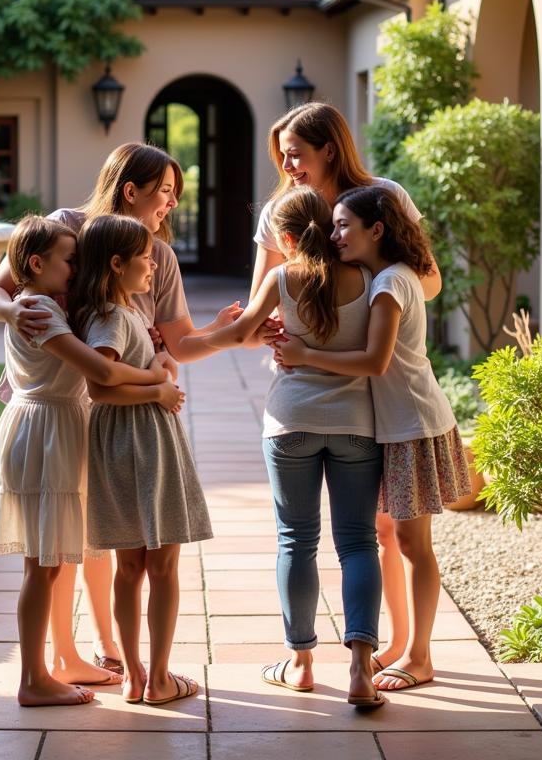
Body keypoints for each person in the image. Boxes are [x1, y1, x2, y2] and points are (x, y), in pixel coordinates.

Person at [0, 142, 238, 677]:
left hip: (95, 402)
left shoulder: (159, 256)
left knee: (89, 534)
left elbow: (179, 341)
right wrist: (20, 311)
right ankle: (60, 658)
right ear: (131, 190)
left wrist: (232, 335)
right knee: (56, 543)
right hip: (59, 397)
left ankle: (107, 649)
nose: (170, 204)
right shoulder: (64, 231)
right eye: (165, 192)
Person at [273, 186, 473, 693]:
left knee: (412, 544)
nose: (335, 235)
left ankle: (420, 656)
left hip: (411, 424)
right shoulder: (388, 277)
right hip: (396, 423)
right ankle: (404, 651)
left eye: (344, 226)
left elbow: (373, 361)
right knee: (391, 541)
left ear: (376, 230)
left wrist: (303, 355)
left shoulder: (386, 283)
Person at [0, 216, 180, 706]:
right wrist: (157, 385)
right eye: (69, 261)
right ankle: (33, 677)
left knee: (46, 564)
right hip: (47, 430)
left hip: (49, 425)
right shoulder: (38, 310)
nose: (76, 269)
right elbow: (99, 369)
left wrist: (152, 361)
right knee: (41, 566)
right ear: (35, 263)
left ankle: (48, 668)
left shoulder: (39, 303)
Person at [199, 186, 385, 708]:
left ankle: (301, 663)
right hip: (356, 425)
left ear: (283, 238)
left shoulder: (282, 278)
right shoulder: (368, 279)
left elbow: (240, 333)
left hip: (290, 423)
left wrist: (184, 340)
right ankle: (360, 670)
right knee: (357, 544)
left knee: (296, 541)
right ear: (328, 226)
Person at [72, 213, 211, 706]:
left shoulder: (121, 311)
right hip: (142, 440)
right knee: (163, 565)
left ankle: (134, 674)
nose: (154, 263)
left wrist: (156, 368)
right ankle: (157, 678)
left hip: (121, 443)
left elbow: (121, 369)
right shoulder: (109, 316)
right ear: (116, 264)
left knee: (129, 566)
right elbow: (101, 381)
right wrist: (158, 390)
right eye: (145, 257)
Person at [249, 102, 441, 301]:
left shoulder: (387, 194)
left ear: (330, 151)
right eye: (283, 156)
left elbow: (430, 285)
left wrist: (379, 276)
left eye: (295, 155)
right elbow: (258, 304)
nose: (286, 166)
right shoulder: (278, 212)